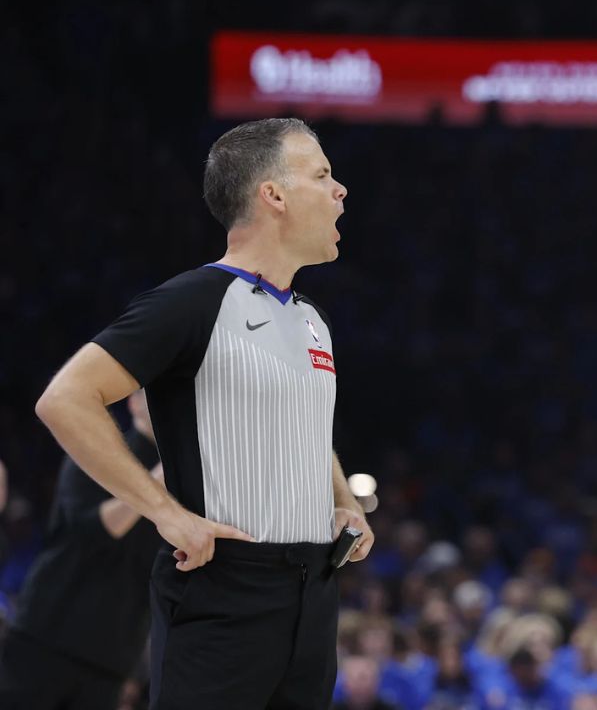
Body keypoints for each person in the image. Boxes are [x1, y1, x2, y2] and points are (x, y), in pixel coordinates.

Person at [34, 117, 375, 709]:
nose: (340, 190)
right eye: (322, 175)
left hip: (315, 594)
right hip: (224, 591)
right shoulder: (194, 300)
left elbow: (305, 428)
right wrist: (164, 512)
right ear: (273, 195)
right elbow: (65, 398)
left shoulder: (312, 319)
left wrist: (343, 499)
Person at [0, 390, 161, 709]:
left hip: (112, 655)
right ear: (134, 403)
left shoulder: (188, 482)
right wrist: (160, 479)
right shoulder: (96, 451)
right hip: (46, 634)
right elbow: (96, 528)